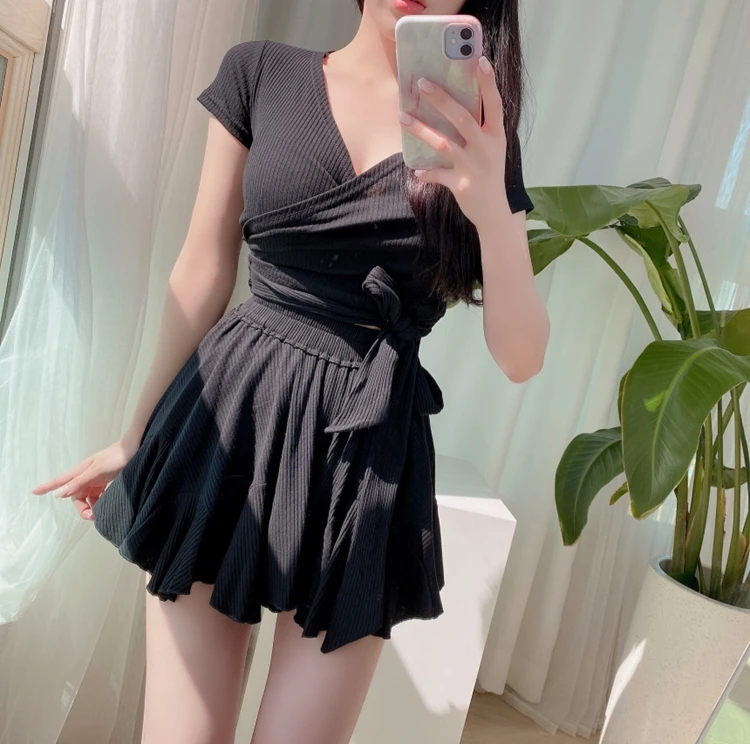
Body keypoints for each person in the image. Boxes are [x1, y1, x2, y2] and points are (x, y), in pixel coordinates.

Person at [32, 0, 549, 741]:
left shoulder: (483, 135)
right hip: (228, 418)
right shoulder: (261, 73)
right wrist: (136, 435)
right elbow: (201, 270)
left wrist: (490, 206)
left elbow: (522, 356)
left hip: (365, 455)